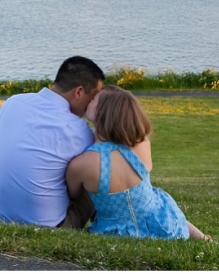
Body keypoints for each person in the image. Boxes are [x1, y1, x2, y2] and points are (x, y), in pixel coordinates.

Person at [66, 85, 210, 240]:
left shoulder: (81, 165)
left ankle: (203, 239)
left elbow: (73, 194)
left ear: (100, 112)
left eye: (93, 98)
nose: (89, 98)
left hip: (114, 232)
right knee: (153, 202)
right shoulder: (142, 144)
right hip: (161, 223)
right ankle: (203, 239)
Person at [0, 56, 104, 228]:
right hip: (48, 226)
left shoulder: (12, 103)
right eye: (93, 97)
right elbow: (101, 154)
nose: (93, 104)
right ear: (79, 92)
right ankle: (110, 226)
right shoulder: (76, 129)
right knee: (100, 168)